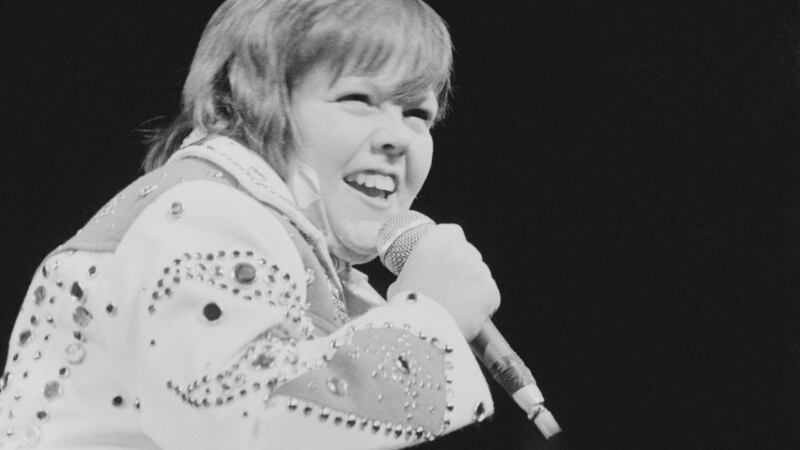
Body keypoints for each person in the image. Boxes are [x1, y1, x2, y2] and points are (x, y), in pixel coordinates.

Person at [0, 0, 501, 448]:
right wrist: (430, 320)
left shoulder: (275, 239)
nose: (397, 137)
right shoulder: (207, 217)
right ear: (252, 102)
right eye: (358, 99)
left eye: (417, 112)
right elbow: (240, 426)